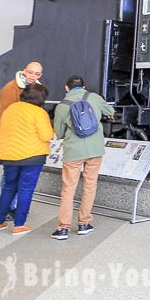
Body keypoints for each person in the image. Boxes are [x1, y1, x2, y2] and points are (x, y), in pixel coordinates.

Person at [51, 75, 114, 240]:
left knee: (68, 189)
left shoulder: (62, 106)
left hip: (73, 151)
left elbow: (58, 133)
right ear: (84, 86)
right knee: (90, 186)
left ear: (67, 88)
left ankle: (63, 228)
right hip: (95, 149)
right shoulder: (94, 97)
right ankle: (84, 224)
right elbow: (111, 112)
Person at [0, 83, 54, 235]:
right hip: (32, 156)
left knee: (8, 188)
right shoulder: (39, 112)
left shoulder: (10, 109)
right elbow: (47, 135)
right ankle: (19, 225)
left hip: (9, 155)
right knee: (26, 189)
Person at [0, 61, 44, 222]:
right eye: (30, 72)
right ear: (23, 71)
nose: (33, 76)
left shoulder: (36, 88)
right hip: (12, 139)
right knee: (10, 179)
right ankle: (6, 208)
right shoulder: (10, 88)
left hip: (26, 140)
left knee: (15, 178)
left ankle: (9, 208)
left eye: (37, 74)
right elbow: (5, 116)